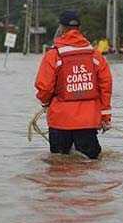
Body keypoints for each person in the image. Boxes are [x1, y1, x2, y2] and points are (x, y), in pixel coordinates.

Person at [35, 10, 113, 159]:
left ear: (61, 28)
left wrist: (45, 103)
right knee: (90, 168)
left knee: (59, 168)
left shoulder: (53, 55)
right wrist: (105, 117)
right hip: (88, 121)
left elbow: (44, 86)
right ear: (79, 28)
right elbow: (106, 86)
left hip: (60, 120)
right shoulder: (95, 56)